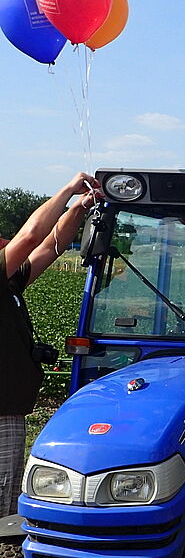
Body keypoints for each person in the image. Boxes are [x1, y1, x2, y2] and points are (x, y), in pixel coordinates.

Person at [0, 172, 101, 516]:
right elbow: (30, 237)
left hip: (9, 408)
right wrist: (68, 189)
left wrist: (79, 208)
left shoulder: (10, 284)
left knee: (8, 491)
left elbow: (50, 247)